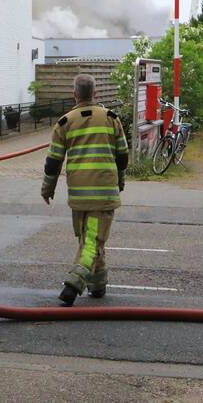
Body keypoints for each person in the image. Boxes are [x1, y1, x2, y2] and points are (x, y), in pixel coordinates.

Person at [42, 73, 128, 306]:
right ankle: (74, 283)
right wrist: (120, 181)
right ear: (95, 93)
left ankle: (98, 287)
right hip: (103, 193)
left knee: (90, 240)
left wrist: (47, 188)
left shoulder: (64, 122)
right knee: (92, 242)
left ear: (74, 95)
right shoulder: (111, 118)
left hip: (79, 195)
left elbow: (53, 161)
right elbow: (122, 155)